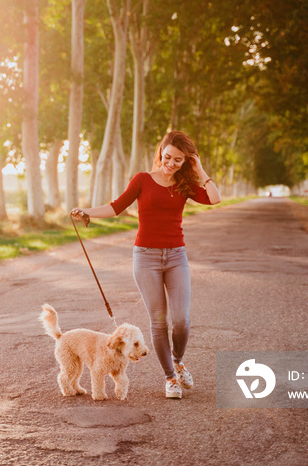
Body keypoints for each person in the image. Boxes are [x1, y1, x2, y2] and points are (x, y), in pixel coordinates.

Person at [70, 130, 221, 399]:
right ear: (160, 152)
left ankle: (178, 360)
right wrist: (86, 212)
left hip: (176, 256)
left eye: (178, 160)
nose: (171, 163)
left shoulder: (184, 185)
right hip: (146, 258)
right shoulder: (142, 180)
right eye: (167, 157)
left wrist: (200, 169)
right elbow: (116, 207)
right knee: (159, 322)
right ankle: (170, 378)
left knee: (182, 320)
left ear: (186, 161)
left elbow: (215, 198)